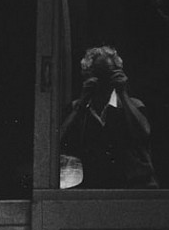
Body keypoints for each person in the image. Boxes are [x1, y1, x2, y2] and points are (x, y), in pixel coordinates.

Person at [58, 46, 158, 189]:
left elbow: (143, 134)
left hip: (134, 186)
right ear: (87, 75)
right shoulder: (77, 109)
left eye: (108, 74)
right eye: (99, 75)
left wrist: (122, 93)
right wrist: (82, 102)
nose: (104, 81)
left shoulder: (133, 105)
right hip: (93, 186)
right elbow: (61, 141)